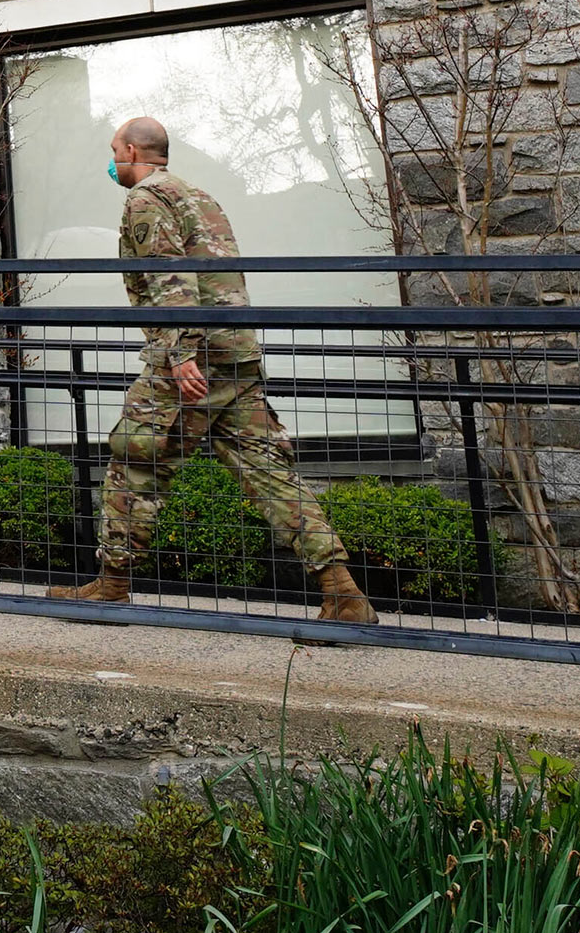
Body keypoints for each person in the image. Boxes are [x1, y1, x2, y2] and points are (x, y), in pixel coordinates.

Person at [49, 116, 378, 623]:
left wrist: (180, 356)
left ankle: (112, 584)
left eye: (115, 150)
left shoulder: (146, 199)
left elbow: (168, 277)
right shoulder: (200, 196)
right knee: (268, 473)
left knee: (135, 461)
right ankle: (343, 592)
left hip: (189, 361)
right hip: (235, 357)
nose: (112, 160)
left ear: (134, 151)